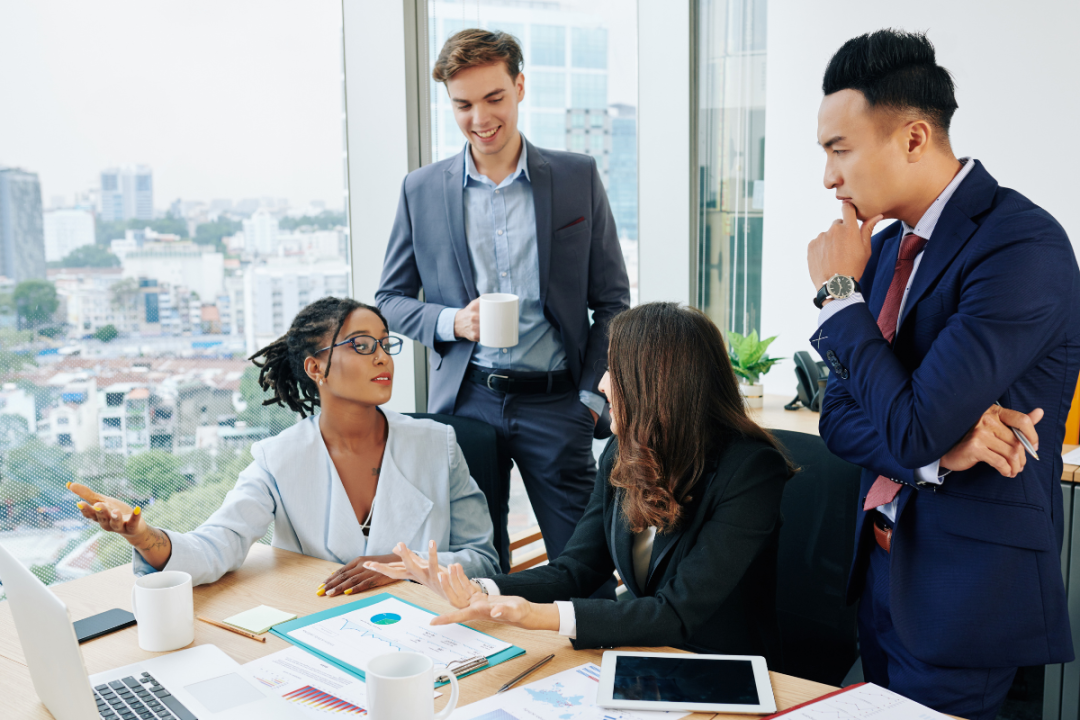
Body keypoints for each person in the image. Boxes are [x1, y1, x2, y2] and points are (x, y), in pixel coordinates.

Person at [805, 30, 1077, 720]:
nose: (829, 177)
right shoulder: (885, 249)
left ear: (915, 138)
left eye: (840, 150)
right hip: (883, 570)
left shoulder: (1022, 245)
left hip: (965, 594)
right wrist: (940, 452)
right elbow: (839, 418)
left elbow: (914, 421)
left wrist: (839, 296)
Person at [365, 303, 793, 659]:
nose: (604, 382)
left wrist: (537, 616)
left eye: (615, 369)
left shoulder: (751, 471)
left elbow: (676, 612)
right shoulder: (625, 449)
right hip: (645, 652)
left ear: (659, 387)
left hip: (722, 666)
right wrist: (476, 588)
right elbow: (577, 570)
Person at [375, 29, 631, 574]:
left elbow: (612, 301)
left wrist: (589, 398)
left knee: (583, 567)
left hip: (558, 405)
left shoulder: (575, 176)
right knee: (476, 567)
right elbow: (390, 300)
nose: (479, 118)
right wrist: (452, 321)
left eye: (493, 98)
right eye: (462, 104)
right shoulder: (420, 190)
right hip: (466, 405)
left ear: (519, 87)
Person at [67, 297, 499, 594]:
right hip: (327, 628)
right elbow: (220, 544)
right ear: (316, 367)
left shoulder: (437, 445)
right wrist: (145, 536)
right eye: (362, 346)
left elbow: (484, 558)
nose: (383, 357)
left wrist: (404, 567)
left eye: (386, 344)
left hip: (430, 629)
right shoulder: (279, 459)